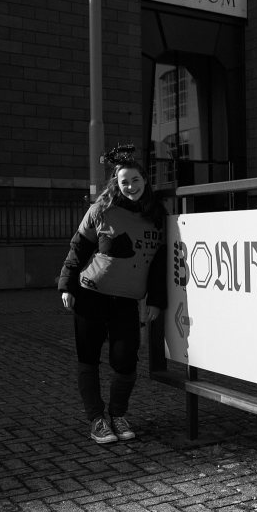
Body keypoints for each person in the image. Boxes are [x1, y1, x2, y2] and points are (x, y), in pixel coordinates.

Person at [58, 145, 168, 445]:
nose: (130, 186)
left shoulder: (157, 216)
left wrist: (156, 300)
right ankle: (97, 419)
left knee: (126, 360)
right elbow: (78, 248)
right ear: (116, 185)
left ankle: (118, 414)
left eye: (135, 180)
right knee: (89, 358)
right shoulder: (101, 210)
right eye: (124, 182)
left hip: (127, 301)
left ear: (145, 180)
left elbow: (159, 264)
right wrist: (67, 285)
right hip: (90, 295)